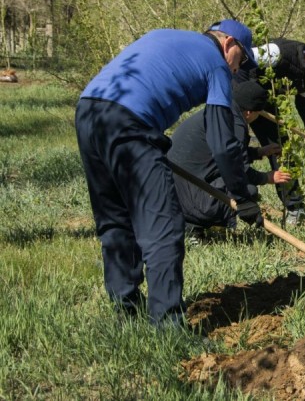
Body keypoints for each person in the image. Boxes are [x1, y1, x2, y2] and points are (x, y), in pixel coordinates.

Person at [75, 19, 263, 326]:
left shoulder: (162, 34)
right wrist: (241, 197)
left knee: (115, 219)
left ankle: (126, 313)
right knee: (163, 226)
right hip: (130, 123)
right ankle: (167, 328)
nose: (235, 69)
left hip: (89, 111)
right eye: (240, 60)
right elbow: (223, 143)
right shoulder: (216, 64)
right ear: (229, 44)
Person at [237, 38, 305, 225]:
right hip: (240, 94)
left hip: (265, 103)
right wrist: (249, 101)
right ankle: (234, 203)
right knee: (236, 146)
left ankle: (295, 210)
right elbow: (242, 63)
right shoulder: (278, 52)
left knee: (282, 150)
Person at [168, 80, 292, 235]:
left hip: (172, 195)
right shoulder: (235, 124)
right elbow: (237, 169)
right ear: (249, 112)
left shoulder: (220, 111)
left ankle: (193, 222)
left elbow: (223, 153)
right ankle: (195, 225)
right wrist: (266, 177)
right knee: (247, 190)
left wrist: (259, 152)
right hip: (189, 199)